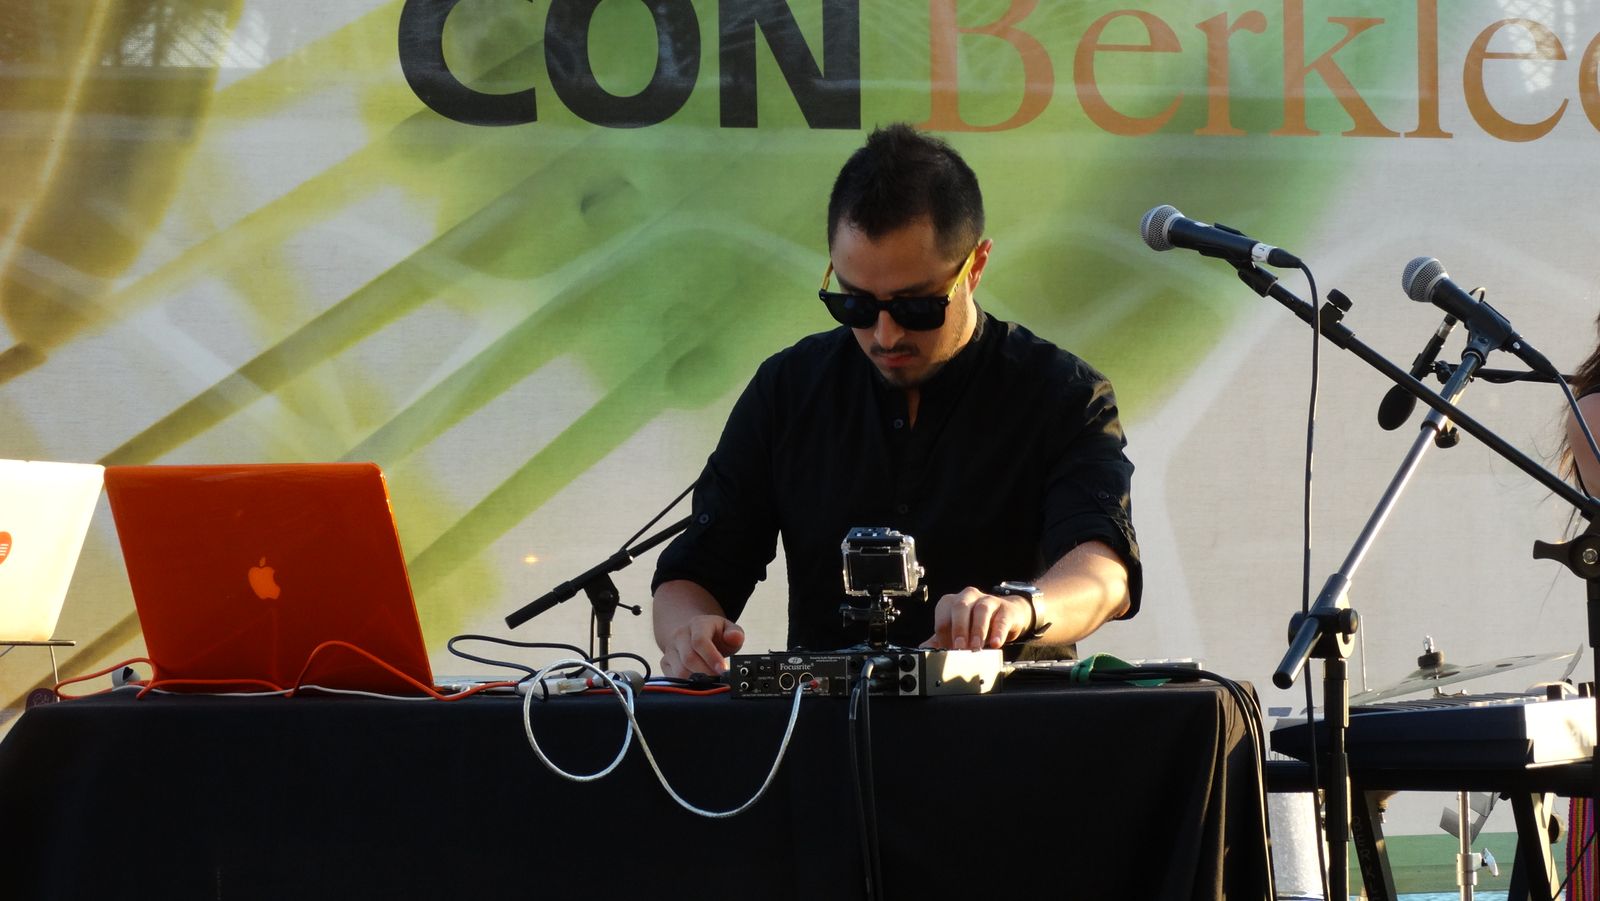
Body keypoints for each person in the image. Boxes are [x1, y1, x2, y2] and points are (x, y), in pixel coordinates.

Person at [650, 124, 1141, 679]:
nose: (885, 335)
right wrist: (689, 632)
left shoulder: (1061, 393)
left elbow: (1106, 574)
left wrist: (1021, 609)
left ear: (975, 267)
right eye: (856, 305)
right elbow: (695, 574)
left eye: (916, 307)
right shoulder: (788, 390)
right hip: (822, 726)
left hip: (1006, 721)